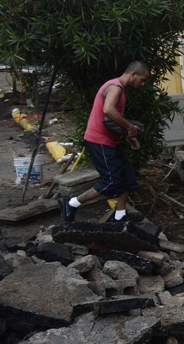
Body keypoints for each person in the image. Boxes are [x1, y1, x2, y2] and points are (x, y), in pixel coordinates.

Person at [59, 61, 150, 223]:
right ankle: (71, 203)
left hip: (110, 141)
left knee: (127, 177)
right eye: (142, 80)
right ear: (133, 74)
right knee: (111, 181)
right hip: (99, 141)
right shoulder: (115, 87)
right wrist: (129, 127)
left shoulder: (118, 88)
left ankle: (119, 216)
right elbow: (108, 110)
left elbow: (111, 121)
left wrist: (129, 135)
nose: (142, 84)